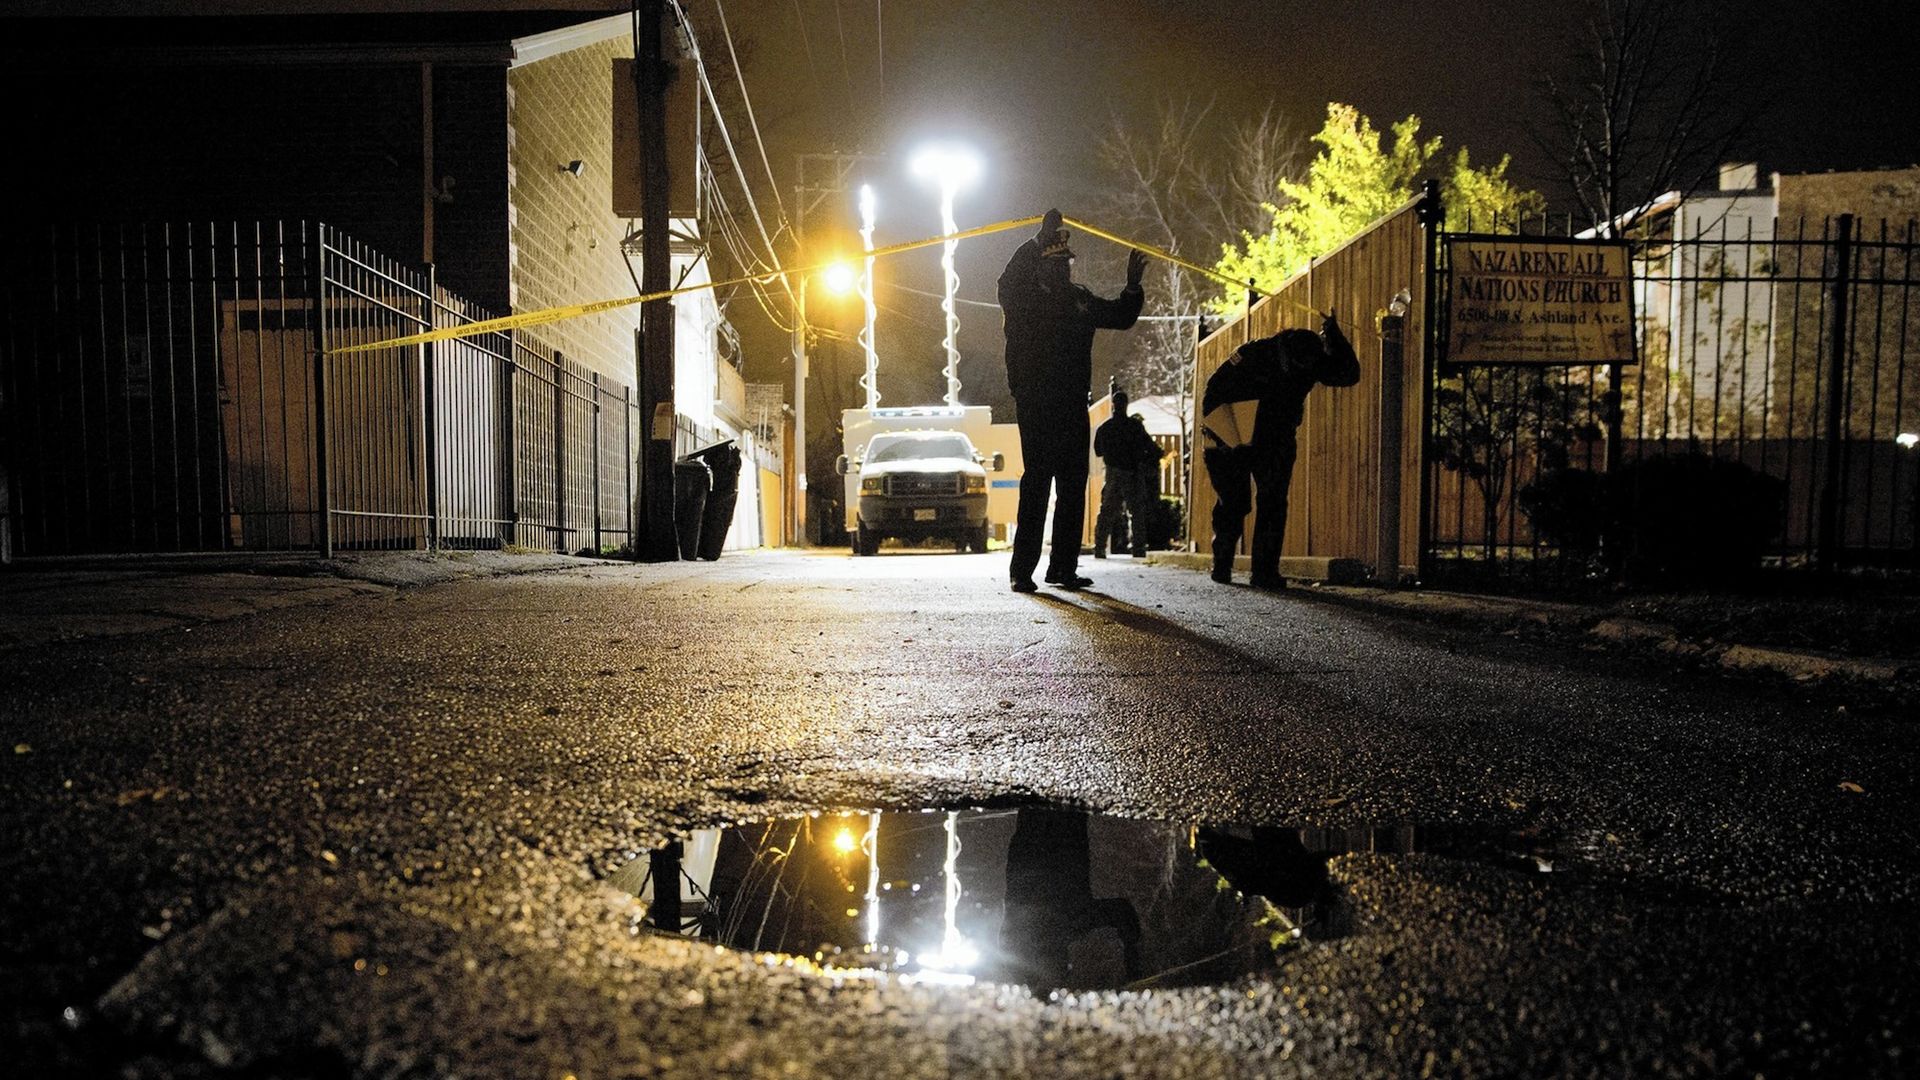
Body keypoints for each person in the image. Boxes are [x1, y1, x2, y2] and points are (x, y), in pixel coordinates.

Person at [998, 209, 1146, 592]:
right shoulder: (1024, 299)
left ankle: (1062, 568)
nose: (1064, 269)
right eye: (1057, 263)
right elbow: (1007, 280)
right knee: (1037, 483)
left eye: (1067, 264)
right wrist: (1036, 241)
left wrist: (1132, 288)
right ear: (1042, 266)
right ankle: (1022, 571)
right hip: (1036, 403)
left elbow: (1119, 316)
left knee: (1072, 485)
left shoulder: (1078, 300)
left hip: (1071, 405)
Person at [1201, 311, 1360, 589]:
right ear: (1285, 351)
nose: (1300, 373)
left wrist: (1334, 337)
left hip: (1275, 437)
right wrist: (1221, 434)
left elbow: (1348, 374)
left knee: (1273, 502)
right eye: (1295, 366)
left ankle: (1264, 572)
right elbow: (1214, 390)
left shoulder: (1311, 360)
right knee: (1234, 501)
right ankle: (1222, 564)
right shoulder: (1253, 354)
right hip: (1232, 433)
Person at [1092, 390, 1166, 558]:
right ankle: (1138, 548)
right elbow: (1150, 446)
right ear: (1126, 405)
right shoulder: (1134, 426)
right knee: (1136, 511)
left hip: (1112, 472)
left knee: (1107, 512)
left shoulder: (1105, 428)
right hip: (1132, 472)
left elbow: (1098, 451)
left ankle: (1100, 547)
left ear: (1113, 405)